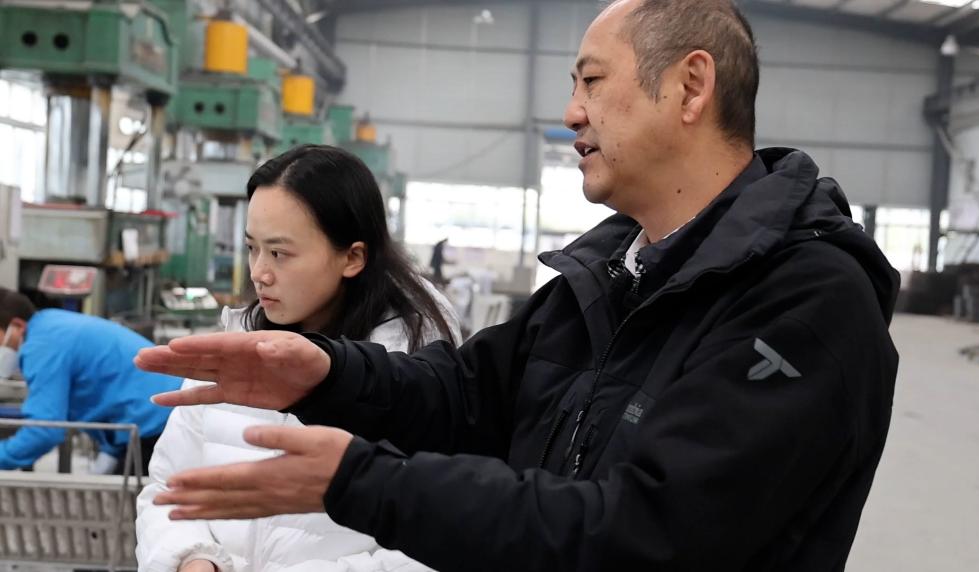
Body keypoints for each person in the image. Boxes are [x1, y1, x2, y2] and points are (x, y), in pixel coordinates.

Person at [136, 1, 900, 570]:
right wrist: (328, 374)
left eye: (591, 81)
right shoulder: (609, 274)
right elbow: (470, 398)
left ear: (690, 87)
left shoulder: (805, 299)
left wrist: (361, 482)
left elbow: (648, 534)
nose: (571, 113)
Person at [136, 145, 460, 572]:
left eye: (279, 253)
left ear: (352, 257)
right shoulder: (235, 349)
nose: (258, 272)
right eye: (252, 248)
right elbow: (166, 487)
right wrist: (192, 557)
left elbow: (436, 536)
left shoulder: (417, 383)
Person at [0, 287, 180, 474]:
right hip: (161, 415)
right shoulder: (50, 324)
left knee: (140, 492)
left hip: (157, 424)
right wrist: (111, 451)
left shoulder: (41, 345)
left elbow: (44, 431)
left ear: (17, 326)